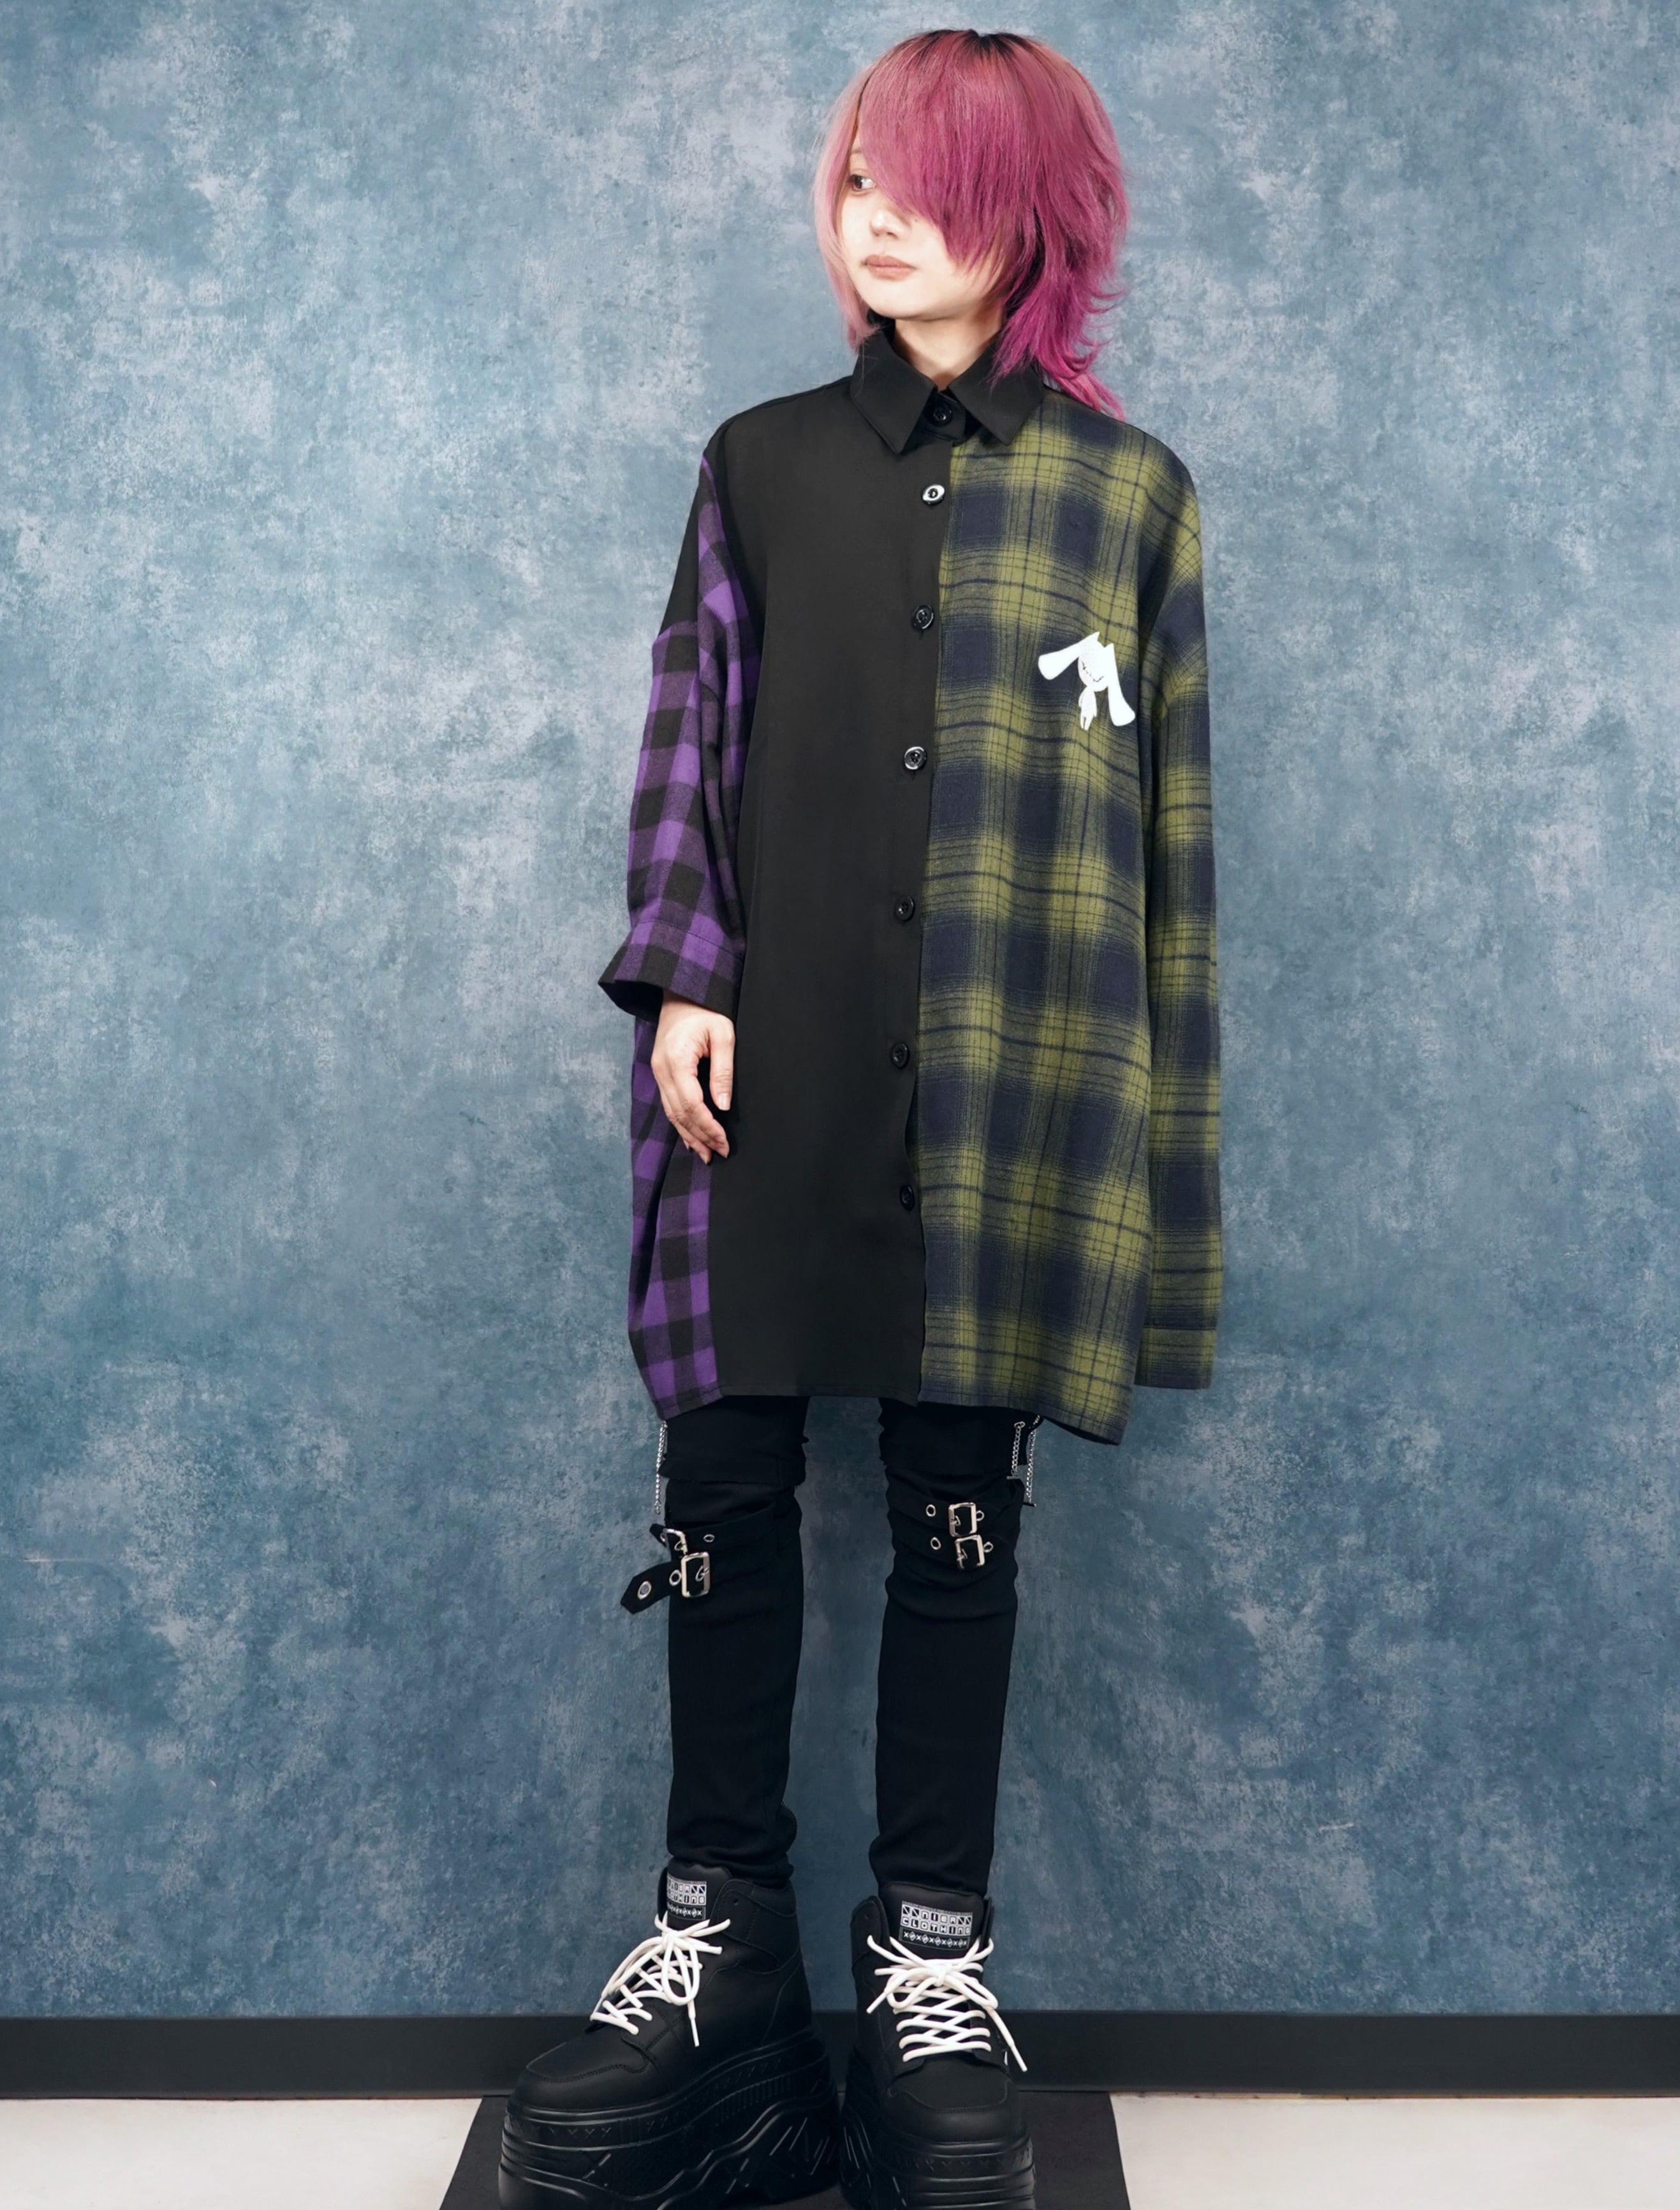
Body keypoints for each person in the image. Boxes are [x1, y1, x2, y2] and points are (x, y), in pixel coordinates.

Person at [499, 29, 1219, 2210]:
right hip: (769, 1062)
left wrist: (1149, 1158)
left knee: (955, 1502)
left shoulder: (1131, 499)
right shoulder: (759, 465)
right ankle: (718, 1963)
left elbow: (1162, 860)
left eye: (928, 185)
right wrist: (685, 972)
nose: (875, 219)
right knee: (723, 1473)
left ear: (1033, 216)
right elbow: (689, 730)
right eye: (856, 182)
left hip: (1006, 1083)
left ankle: (928, 1968)